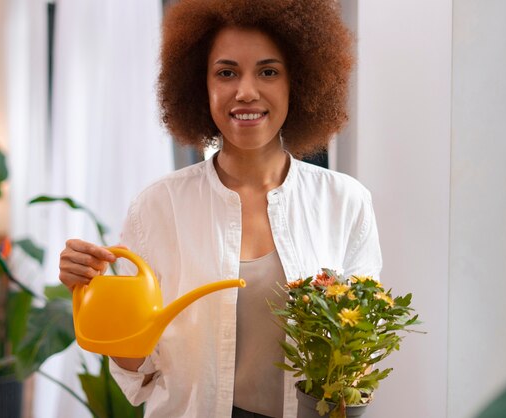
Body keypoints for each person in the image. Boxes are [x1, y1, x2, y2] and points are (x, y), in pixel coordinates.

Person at [58, 0, 382, 417]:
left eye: (268, 71)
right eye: (226, 72)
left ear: (297, 82)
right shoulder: (158, 207)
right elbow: (138, 373)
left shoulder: (346, 203)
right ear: (200, 85)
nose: (246, 91)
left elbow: (362, 354)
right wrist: (94, 297)